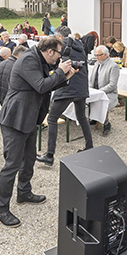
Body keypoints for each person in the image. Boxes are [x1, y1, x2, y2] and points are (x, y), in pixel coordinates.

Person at [0, 36, 76, 228]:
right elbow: (41, 85)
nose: (58, 59)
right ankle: (0, 209)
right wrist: (60, 72)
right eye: (58, 54)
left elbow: (45, 85)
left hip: (28, 117)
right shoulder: (29, 59)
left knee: (29, 158)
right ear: (50, 51)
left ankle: (24, 192)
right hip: (15, 118)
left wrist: (65, 77)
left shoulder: (39, 59)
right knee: (12, 164)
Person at [38, 27, 93, 164]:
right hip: (81, 87)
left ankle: (49, 155)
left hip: (68, 87)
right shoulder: (79, 45)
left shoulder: (63, 47)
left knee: (52, 119)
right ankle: (89, 146)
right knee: (81, 116)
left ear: (60, 37)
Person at [89, 45, 120, 136]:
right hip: (95, 90)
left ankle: (106, 123)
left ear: (105, 55)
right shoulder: (97, 63)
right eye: (95, 55)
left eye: (98, 55)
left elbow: (112, 84)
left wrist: (100, 91)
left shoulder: (113, 66)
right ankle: (94, 117)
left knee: (101, 102)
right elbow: (92, 79)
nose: (96, 57)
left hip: (108, 93)